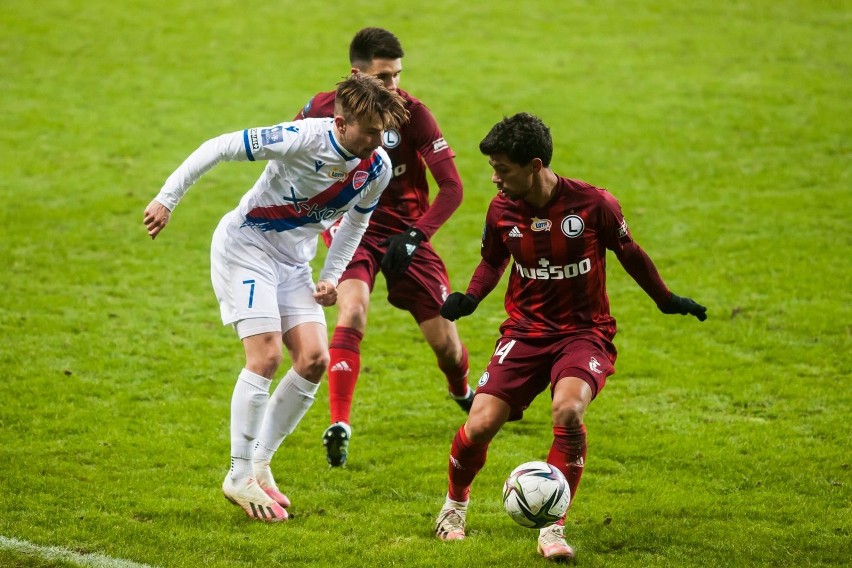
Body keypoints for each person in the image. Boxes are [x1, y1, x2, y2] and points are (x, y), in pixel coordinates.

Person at [432, 113, 707, 560]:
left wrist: (665, 298)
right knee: (480, 423)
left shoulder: (595, 205)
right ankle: (453, 507)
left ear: (535, 164)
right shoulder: (501, 209)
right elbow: (492, 260)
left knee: (568, 411)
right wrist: (472, 297)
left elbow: (630, 252)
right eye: (493, 168)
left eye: (503, 169)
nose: (495, 179)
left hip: (584, 333)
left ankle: (553, 528)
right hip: (524, 331)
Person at [143, 74, 409, 522]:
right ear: (341, 123)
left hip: (293, 264)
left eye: (383, 130)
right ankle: (238, 472)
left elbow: (357, 224)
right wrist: (167, 199)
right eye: (371, 130)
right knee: (265, 357)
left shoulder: (377, 167)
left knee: (313, 359)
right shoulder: (302, 137)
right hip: (246, 248)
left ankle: (261, 462)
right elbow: (220, 146)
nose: (379, 140)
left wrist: (330, 276)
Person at [296, 27, 473, 468]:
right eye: (384, 77)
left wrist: (417, 235)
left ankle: (461, 389)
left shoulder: (414, 114)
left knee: (445, 344)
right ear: (357, 75)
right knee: (352, 309)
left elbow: (452, 188)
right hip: (353, 228)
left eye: (397, 75)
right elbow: (292, 159)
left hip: (407, 234)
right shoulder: (321, 109)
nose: (395, 86)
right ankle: (340, 423)